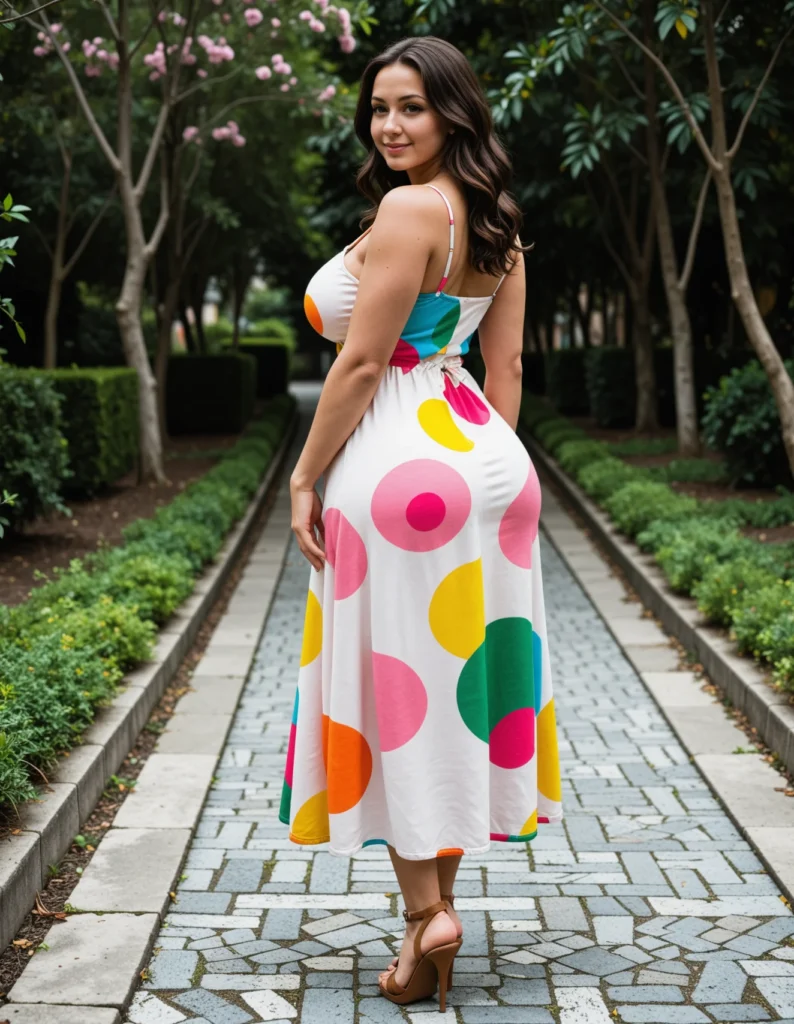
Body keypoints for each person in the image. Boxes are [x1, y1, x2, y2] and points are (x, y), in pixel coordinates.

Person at [279, 35, 562, 1012]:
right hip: (483, 458)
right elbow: (508, 369)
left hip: (399, 460)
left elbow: (360, 366)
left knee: (391, 688)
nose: (388, 124)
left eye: (410, 107)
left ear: (451, 113)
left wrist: (304, 478)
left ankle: (422, 919)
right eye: (377, 107)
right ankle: (434, 908)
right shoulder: (497, 224)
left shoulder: (407, 209)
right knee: (449, 683)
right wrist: (484, 477)